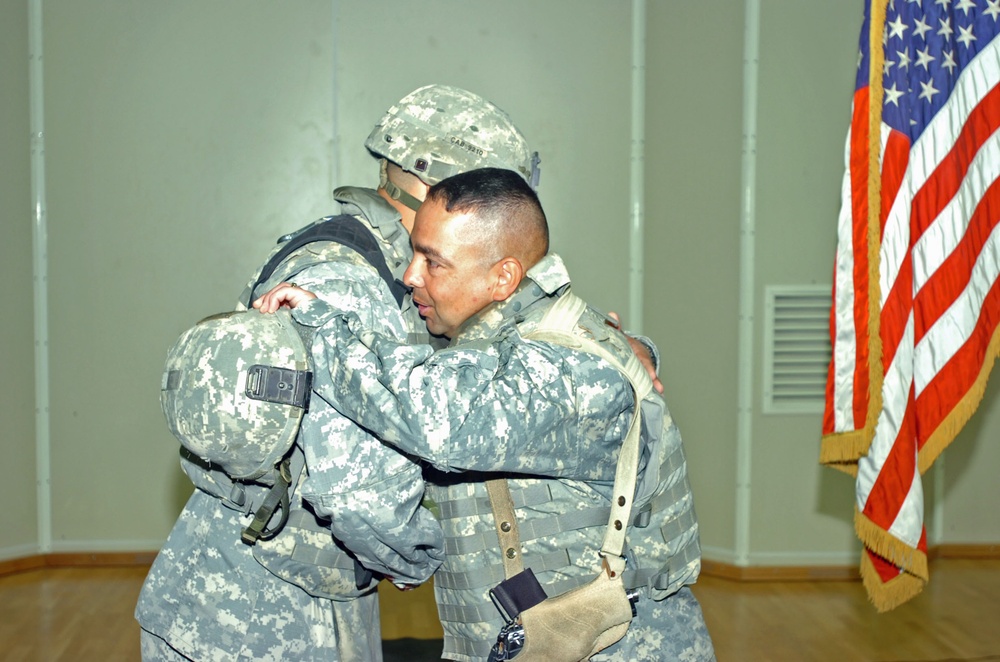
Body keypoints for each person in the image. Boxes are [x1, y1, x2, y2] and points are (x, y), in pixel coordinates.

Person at [136, 85, 542, 661]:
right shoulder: (348, 280)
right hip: (258, 615)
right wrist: (427, 557)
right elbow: (363, 496)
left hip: (288, 591)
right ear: (444, 190)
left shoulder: (376, 265)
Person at [255, 167, 716, 661]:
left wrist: (321, 327)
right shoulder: (492, 343)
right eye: (413, 252)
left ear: (503, 277)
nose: (411, 275)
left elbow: (439, 420)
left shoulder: (571, 368)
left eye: (433, 262)